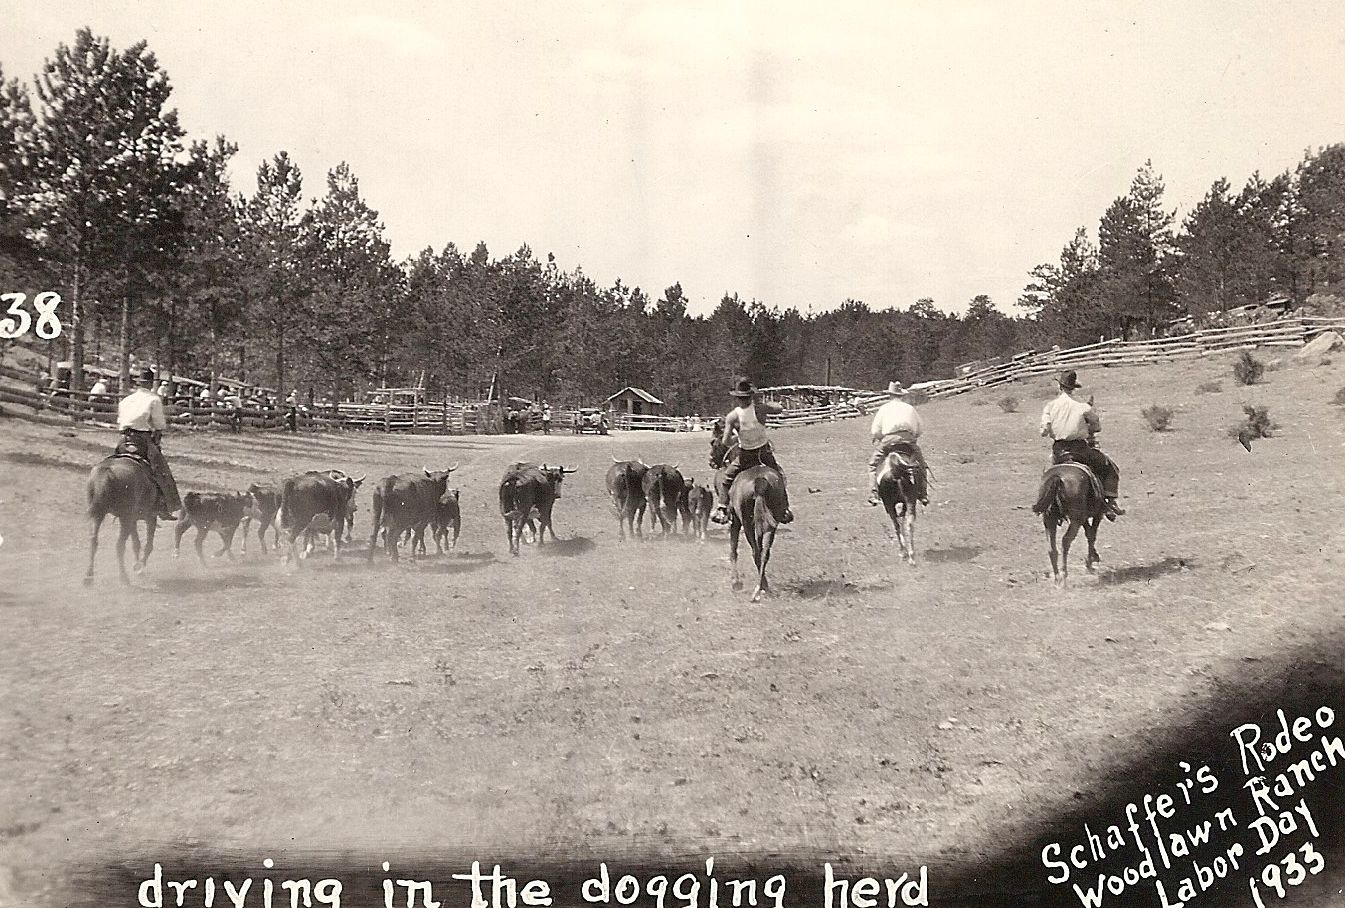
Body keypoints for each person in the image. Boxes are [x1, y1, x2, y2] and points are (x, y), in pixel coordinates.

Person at [1040, 370, 1125, 521]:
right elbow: (1097, 426)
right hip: (1080, 450)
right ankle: (1110, 502)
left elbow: (1044, 430)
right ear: (1073, 388)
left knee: (1047, 474)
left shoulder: (1050, 406)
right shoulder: (1082, 407)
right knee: (1110, 467)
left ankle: (1045, 504)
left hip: (1058, 451)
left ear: (1060, 387)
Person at [710, 377, 794, 525]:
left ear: (737, 398)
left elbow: (725, 442)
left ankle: (722, 508)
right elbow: (779, 408)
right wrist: (764, 403)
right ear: (751, 396)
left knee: (726, 479)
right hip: (764, 453)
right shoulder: (760, 409)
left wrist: (738, 439)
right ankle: (784, 508)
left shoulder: (732, 416)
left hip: (745, 455)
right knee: (779, 475)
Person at [116, 367, 181, 521]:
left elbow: (120, 421)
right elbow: (159, 425)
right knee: (161, 469)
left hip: (124, 439)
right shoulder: (154, 399)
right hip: (142, 439)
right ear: (152, 383)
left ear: (139, 383)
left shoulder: (126, 400)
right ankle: (164, 506)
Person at [866, 381, 929, 507]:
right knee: (922, 466)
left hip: (889, 441)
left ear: (890, 395)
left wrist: (880, 438)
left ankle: (874, 494)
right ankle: (922, 493)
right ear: (902, 395)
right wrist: (912, 437)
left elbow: (875, 431)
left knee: (872, 465)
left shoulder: (884, 408)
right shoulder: (910, 408)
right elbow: (919, 429)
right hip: (908, 441)